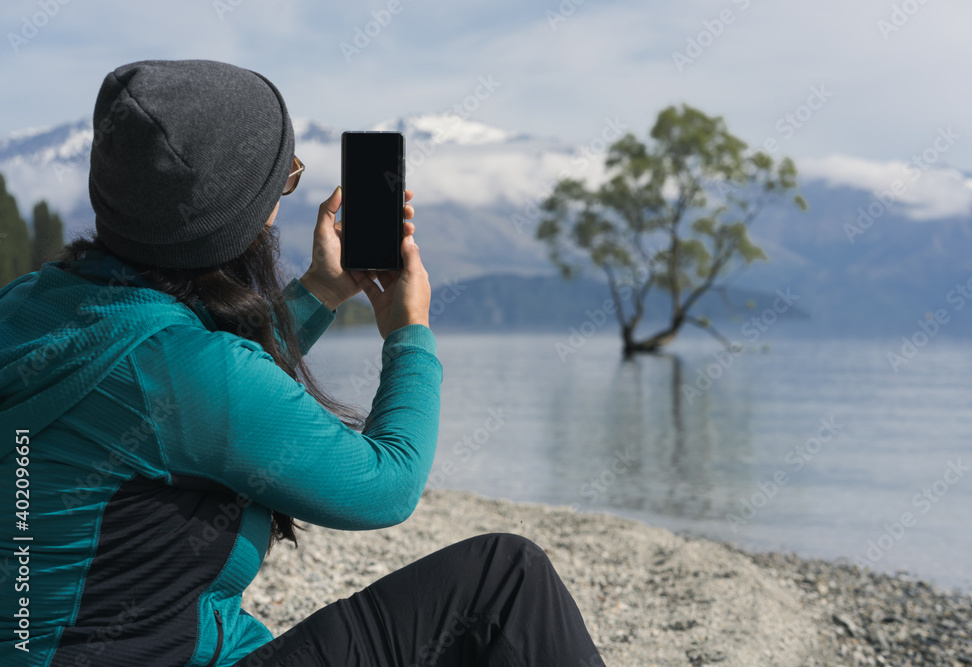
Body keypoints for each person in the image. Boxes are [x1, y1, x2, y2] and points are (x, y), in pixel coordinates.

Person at [0, 59, 605, 667]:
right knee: (506, 577)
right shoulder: (188, 369)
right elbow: (386, 485)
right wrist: (408, 333)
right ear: (234, 210)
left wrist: (320, 292)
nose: (277, 209)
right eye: (281, 181)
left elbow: (193, 392)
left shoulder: (28, 307)